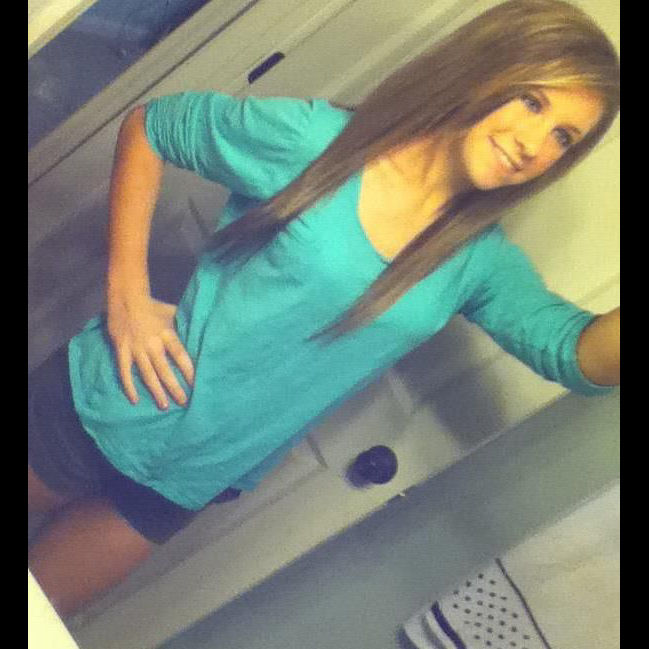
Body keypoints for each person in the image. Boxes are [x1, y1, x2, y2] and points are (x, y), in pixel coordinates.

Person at [28, 0, 620, 619]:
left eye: (564, 138)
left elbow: (577, 357)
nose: (534, 144)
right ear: (482, 66)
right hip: (109, 404)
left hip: (187, 481)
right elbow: (156, 127)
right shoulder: (321, 142)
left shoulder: (480, 262)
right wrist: (125, 294)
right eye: (531, 101)